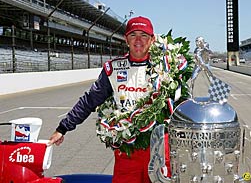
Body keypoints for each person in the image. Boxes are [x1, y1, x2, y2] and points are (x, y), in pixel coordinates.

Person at [48, 16, 169, 183]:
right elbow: (90, 100)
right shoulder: (113, 69)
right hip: (127, 150)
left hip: (160, 149)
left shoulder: (167, 68)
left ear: (152, 39)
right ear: (126, 39)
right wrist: (63, 128)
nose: (139, 40)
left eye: (144, 35)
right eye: (133, 35)